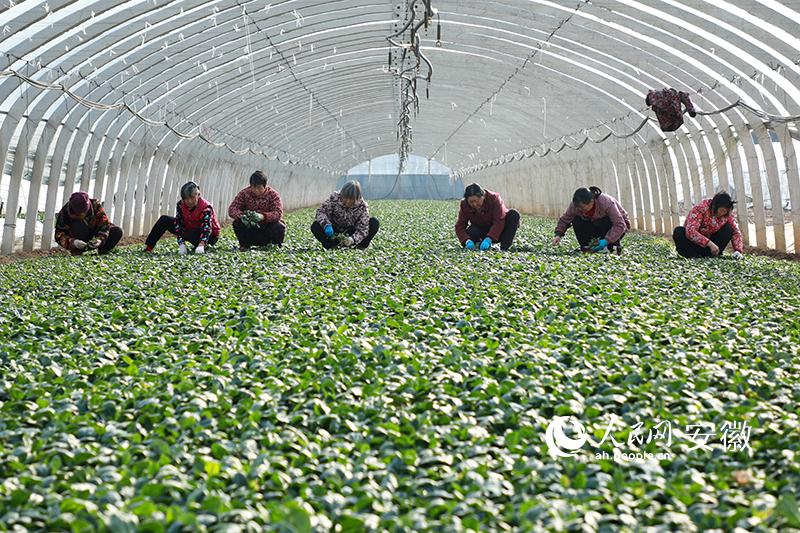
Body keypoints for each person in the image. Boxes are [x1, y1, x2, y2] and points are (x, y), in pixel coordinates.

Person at [143, 181, 221, 254]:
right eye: (186, 199)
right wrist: (181, 244)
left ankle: (200, 245)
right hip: (190, 230)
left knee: (195, 232)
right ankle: (149, 247)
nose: (189, 201)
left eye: (192, 198)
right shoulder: (180, 205)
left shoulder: (206, 208)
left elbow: (206, 228)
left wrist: (201, 245)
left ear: (198, 195)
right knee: (164, 220)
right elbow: (178, 223)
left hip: (210, 237)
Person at [552, 186, 630, 254]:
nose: (580, 209)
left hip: (615, 227)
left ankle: (612, 246)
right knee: (576, 220)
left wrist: (606, 240)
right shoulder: (575, 206)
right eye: (578, 207)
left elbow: (619, 225)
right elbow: (565, 220)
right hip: (594, 225)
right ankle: (586, 246)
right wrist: (558, 234)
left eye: (582, 207)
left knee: (606, 220)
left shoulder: (606, 202)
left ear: (591, 202)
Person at [673, 191, 744, 259]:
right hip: (692, 246)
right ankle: (691, 256)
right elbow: (691, 231)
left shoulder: (726, 215)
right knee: (679, 231)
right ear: (715, 206)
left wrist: (738, 250)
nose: (723, 213)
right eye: (722, 210)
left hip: (711, 248)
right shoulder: (700, 208)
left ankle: (713, 255)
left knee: (728, 229)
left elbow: (736, 231)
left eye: (725, 212)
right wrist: (709, 243)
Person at [311, 180, 379, 249]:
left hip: (351, 232)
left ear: (357, 198)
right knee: (315, 226)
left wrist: (352, 239)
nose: (348, 201)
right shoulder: (334, 199)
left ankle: (360, 247)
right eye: (345, 198)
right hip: (334, 231)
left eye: (351, 199)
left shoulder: (362, 206)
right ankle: (331, 245)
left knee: (374, 223)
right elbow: (321, 212)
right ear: (342, 194)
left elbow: (363, 228)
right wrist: (326, 225)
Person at [228, 171, 285, 251]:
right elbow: (232, 209)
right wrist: (243, 216)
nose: (256, 190)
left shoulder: (273, 195)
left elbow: (278, 213)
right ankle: (245, 245)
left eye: (259, 188)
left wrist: (262, 216)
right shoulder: (244, 193)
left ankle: (275, 246)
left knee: (279, 226)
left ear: (265, 186)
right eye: (253, 187)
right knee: (237, 223)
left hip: (267, 229)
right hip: (251, 228)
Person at [455, 183, 520, 251]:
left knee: (513, 214)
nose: (474, 204)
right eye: (471, 202)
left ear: (483, 196)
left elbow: (499, 220)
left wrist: (489, 239)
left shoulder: (494, 198)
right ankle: (476, 245)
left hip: (499, 231)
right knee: (472, 231)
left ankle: (504, 248)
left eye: (476, 201)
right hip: (481, 230)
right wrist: (466, 240)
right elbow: (460, 226)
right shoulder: (464, 205)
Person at [54, 191, 123, 255]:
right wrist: (73, 242)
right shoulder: (65, 212)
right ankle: (77, 252)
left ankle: (103, 251)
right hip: (78, 237)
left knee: (117, 231)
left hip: (95, 233)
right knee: (78, 225)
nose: (79, 216)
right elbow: (58, 234)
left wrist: (99, 239)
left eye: (80, 214)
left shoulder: (96, 206)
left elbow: (105, 225)